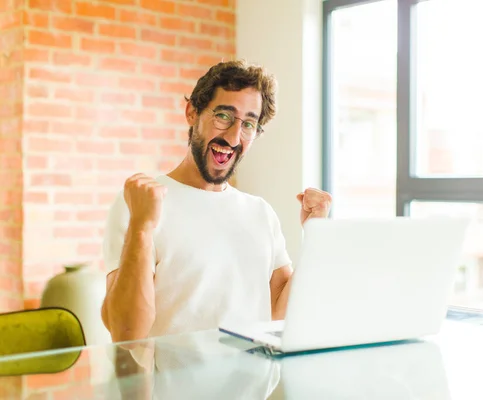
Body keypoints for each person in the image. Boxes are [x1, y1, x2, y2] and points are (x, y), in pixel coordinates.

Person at [101, 60, 332, 343]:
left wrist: (316, 234)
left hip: (253, 385)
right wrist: (141, 226)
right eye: (224, 116)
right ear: (192, 113)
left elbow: (280, 315)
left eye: (248, 123)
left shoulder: (260, 213)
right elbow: (126, 332)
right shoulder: (139, 203)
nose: (234, 136)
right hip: (172, 387)